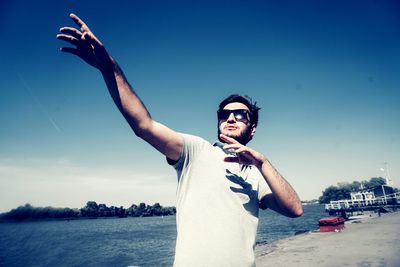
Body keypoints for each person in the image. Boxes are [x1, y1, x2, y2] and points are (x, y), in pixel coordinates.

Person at [57, 13, 303, 267]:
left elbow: (295, 210)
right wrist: (109, 67)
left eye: (240, 115)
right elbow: (144, 125)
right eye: (224, 114)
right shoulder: (196, 151)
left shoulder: (257, 175)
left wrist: (262, 162)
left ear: (251, 130)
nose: (231, 118)